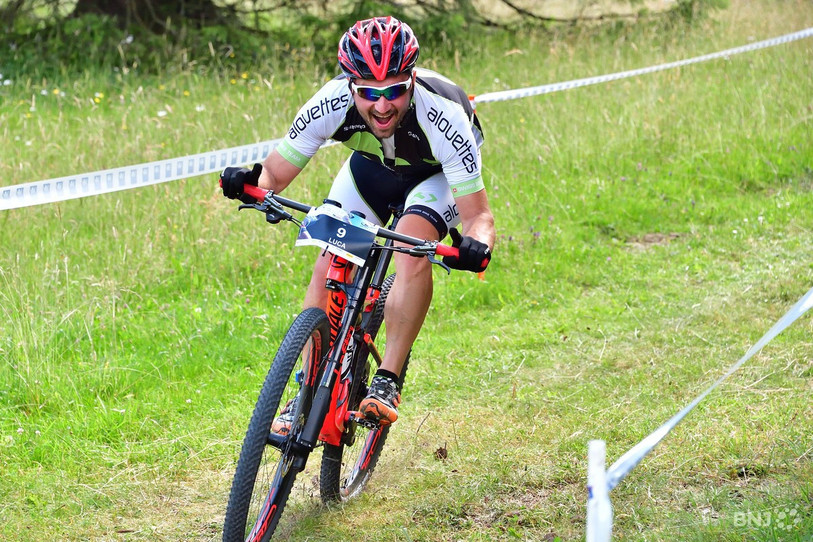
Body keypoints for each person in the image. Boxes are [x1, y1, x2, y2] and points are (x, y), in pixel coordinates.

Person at [221, 16, 495, 427]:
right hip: (371, 170)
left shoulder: (444, 116)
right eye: (368, 93)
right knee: (330, 252)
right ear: (350, 85)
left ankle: (387, 378)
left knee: (410, 241)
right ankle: (308, 389)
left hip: (434, 177)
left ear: (412, 81)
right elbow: (273, 175)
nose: (382, 106)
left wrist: (476, 244)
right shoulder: (329, 102)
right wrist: (247, 180)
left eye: (395, 92)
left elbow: (479, 217)